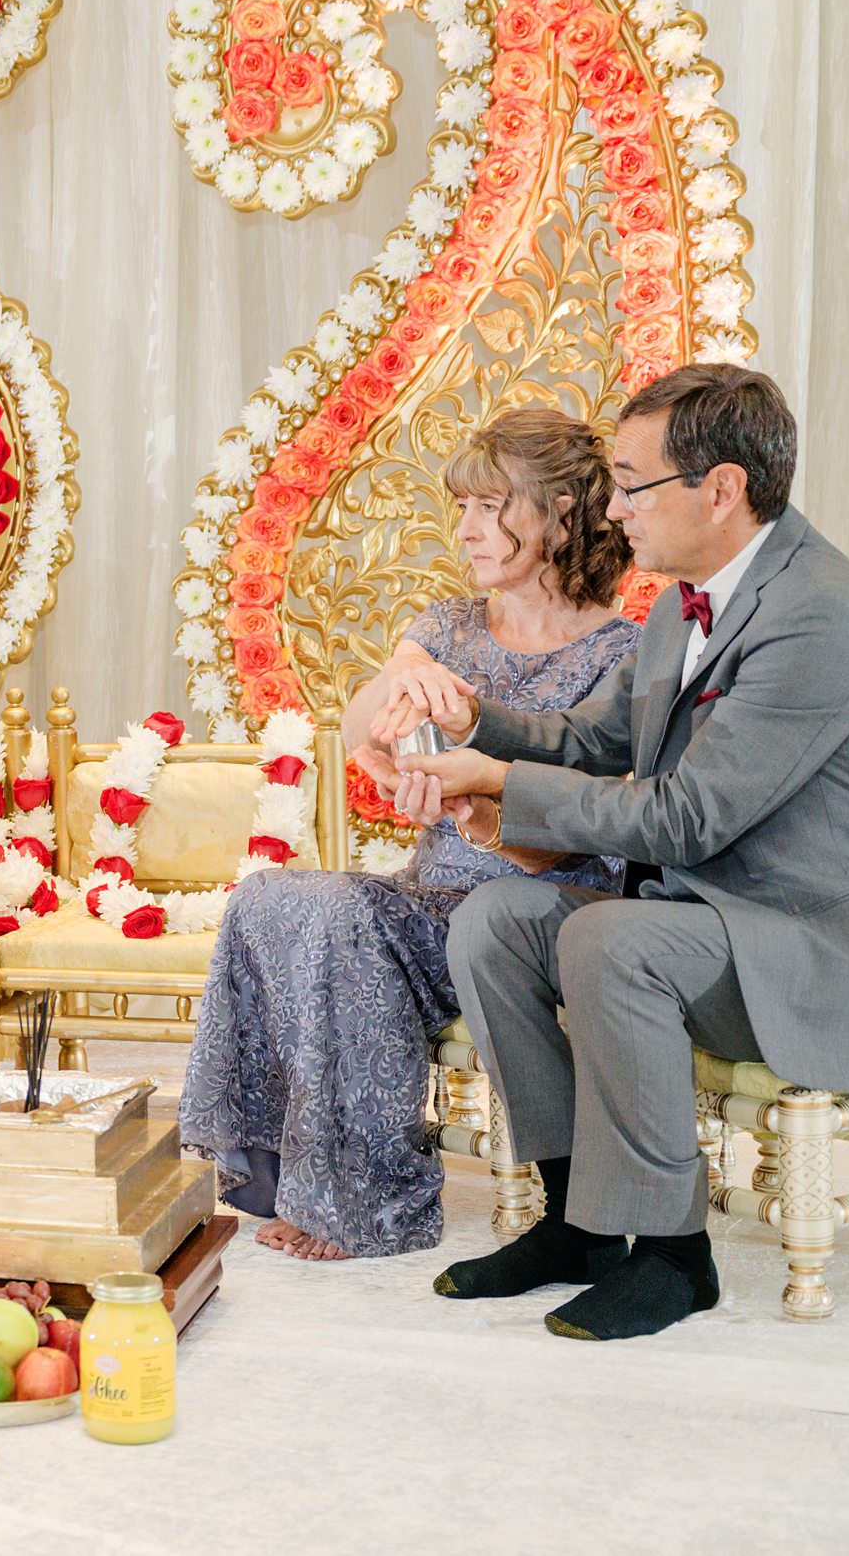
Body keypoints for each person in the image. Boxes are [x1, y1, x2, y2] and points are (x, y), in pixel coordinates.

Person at [386, 365, 849, 1339]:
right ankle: (575, 1222)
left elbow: (689, 820)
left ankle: (677, 1258)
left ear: (720, 489)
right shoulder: (685, 603)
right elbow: (593, 740)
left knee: (611, 941)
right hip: (716, 922)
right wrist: (481, 720)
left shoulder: (819, 612)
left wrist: (497, 787)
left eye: (634, 485)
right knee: (497, 919)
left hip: (817, 946)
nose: (617, 508)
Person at [181, 409, 640, 1261]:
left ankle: (370, 1203)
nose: (464, 528)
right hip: (435, 901)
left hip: (546, 909)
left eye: (490, 505)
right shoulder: (449, 625)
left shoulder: (625, 655)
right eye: (460, 505)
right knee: (274, 896)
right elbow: (361, 722)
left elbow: (591, 831)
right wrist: (402, 679)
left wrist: (476, 815)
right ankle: (296, 1176)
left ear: (565, 511)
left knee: (349, 918)